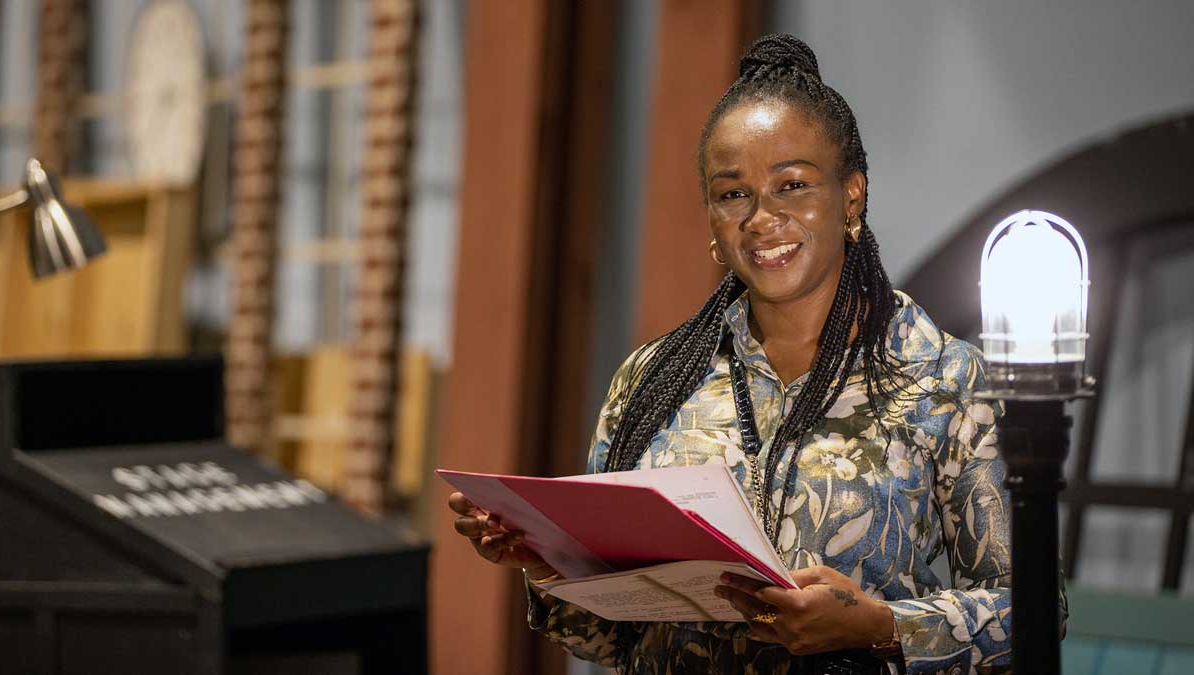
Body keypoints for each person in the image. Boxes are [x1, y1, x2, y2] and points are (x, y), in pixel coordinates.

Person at [449, 34, 1062, 674]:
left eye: (792, 184)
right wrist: (553, 566)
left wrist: (879, 626)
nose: (761, 217)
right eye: (733, 193)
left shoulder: (942, 376)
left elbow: (1036, 611)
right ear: (713, 217)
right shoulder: (653, 379)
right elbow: (609, 640)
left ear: (851, 197)